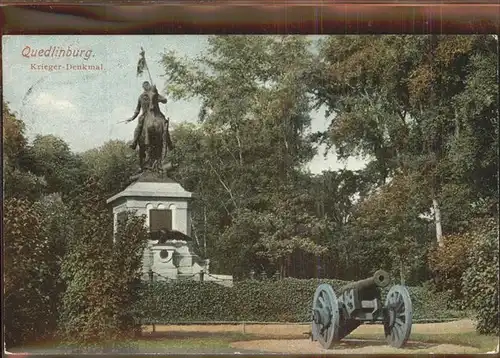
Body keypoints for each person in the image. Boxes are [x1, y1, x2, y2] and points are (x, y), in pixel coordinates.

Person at [126, 81, 168, 150]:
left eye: (147, 85)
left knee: (165, 123)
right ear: (143, 88)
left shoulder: (154, 94)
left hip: (157, 114)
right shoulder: (141, 97)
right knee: (139, 126)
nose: (146, 87)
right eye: (145, 86)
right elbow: (137, 110)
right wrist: (132, 118)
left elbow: (164, 100)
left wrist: (157, 94)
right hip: (145, 115)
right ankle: (134, 142)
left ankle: (169, 143)